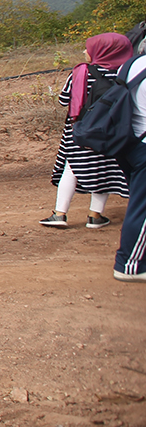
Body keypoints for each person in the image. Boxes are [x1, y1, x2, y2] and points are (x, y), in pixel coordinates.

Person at [41, 33, 134, 228]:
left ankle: (59, 214)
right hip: (112, 131)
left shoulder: (81, 72)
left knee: (71, 168)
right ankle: (95, 216)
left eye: (88, 48)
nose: (85, 51)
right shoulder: (126, 73)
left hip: (80, 130)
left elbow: (63, 100)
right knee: (104, 170)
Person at [112, 52, 146, 283]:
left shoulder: (133, 64)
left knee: (139, 201)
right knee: (141, 208)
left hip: (129, 140)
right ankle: (130, 264)